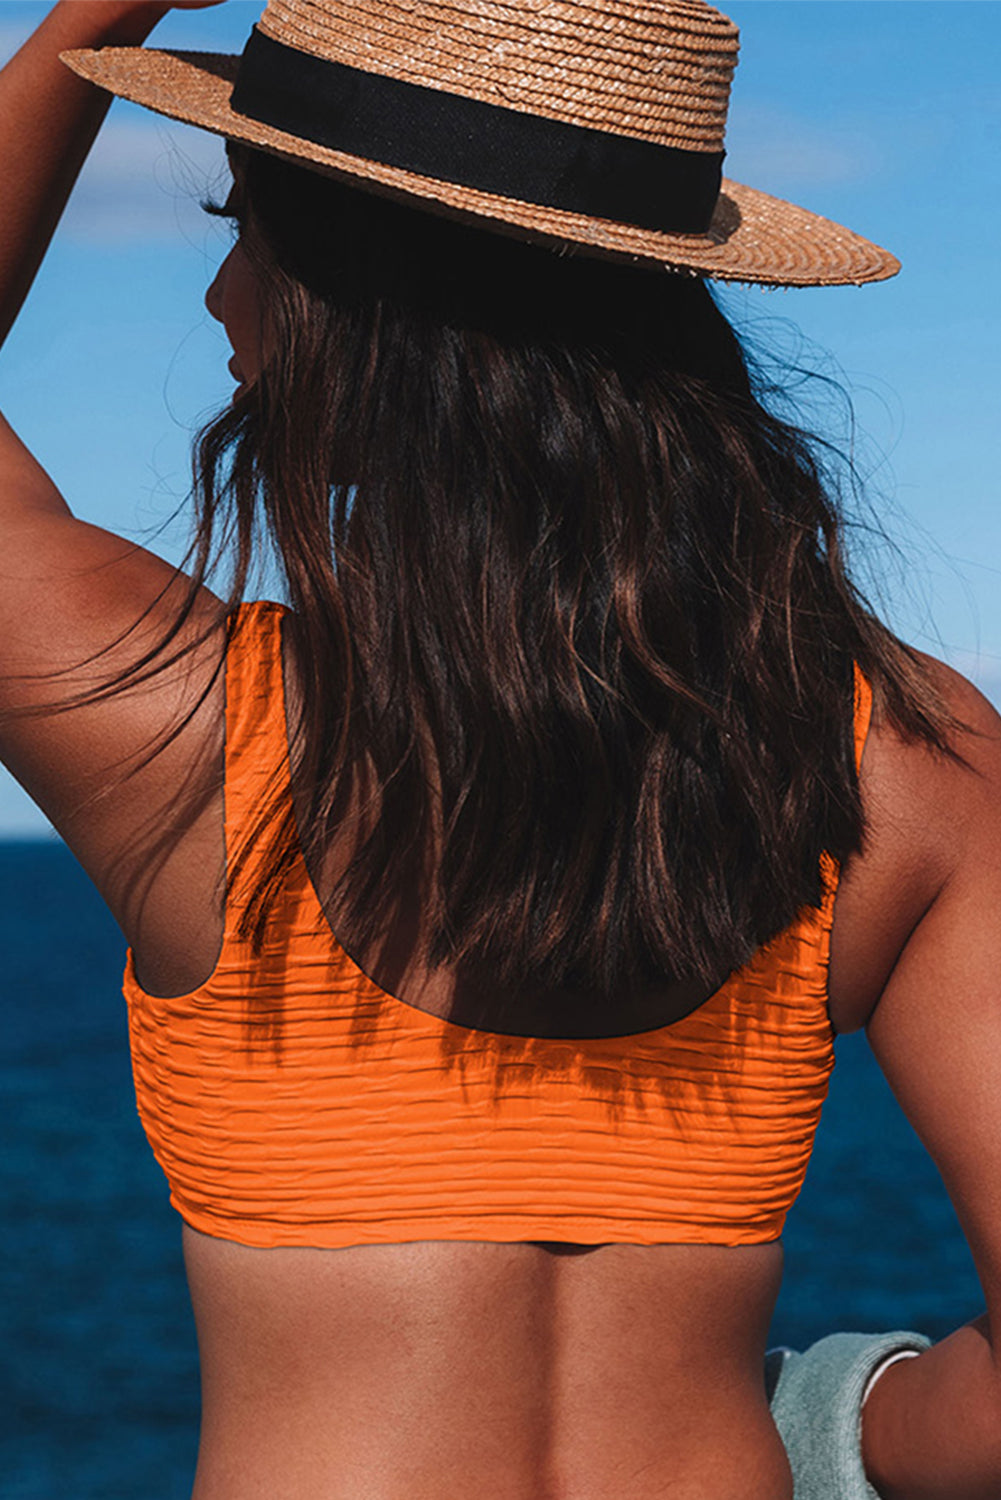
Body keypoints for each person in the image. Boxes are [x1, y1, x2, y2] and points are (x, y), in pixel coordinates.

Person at [1, 2, 1000, 1498]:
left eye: (239, 222)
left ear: (360, 299)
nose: (218, 293)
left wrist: (94, 12)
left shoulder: (187, 729)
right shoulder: (912, 760)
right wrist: (839, 1424)